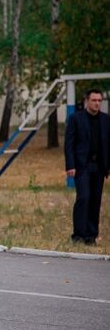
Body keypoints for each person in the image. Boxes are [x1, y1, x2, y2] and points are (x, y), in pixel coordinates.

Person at [65, 89, 110, 245]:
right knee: (83, 198)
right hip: (82, 166)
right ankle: (78, 235)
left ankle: (91, 236)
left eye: (99, 100)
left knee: (95, 201)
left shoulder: (106, 120)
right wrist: (70, 165)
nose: (97, 103)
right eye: (94, 100)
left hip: (99, 167)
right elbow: (69, 144)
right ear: (87, 101)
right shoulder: (75, 119)